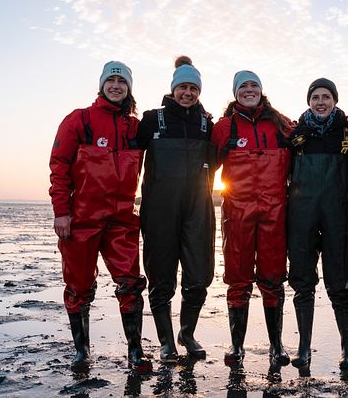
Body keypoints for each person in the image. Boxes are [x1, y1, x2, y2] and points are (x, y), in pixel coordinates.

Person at [49, 61, 151, 372]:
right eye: (112, 80)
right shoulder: (79, 120)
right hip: (82, 219)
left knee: (131, 283)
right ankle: (82, 350)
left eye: (122, 81)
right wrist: (61, 213)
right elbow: (59, 167)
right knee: (78, 286)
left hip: (122, 220)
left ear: (129, 88)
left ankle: (135, 352)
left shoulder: (136, 128)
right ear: (102, 85)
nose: (116, 85)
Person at [136, 56, 216, 363]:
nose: (188, 93)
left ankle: (187, 332)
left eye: (193, 88)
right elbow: (126, 157)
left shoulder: (207, 124)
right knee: (161, 279)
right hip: (159, 210)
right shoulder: (151, 120)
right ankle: (166, 342)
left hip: (198, 208)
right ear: (173, 88)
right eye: (183, 87)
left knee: (199, 278)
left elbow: (221, 160)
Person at [211, 71, 293, 366]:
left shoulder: (281, 124)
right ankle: (237, 346)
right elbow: (205, 170)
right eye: (243, 86)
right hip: (237, 213)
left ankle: (277, 345)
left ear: (262, 90)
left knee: (273, 278)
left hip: (274, 212)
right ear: (235, 93)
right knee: (238, 278)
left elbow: (306, 142)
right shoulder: (222, 128)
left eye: (254, 85)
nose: (249, 90)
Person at [287, 78, 348, 372]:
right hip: (301, 216)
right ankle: (304, 347)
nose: (320, 102)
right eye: (315, 97)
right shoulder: (295, 133)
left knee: (339, 283)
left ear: (335, 101)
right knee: (302, 283)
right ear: (308, 101)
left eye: (326, 96)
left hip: (337, 215)